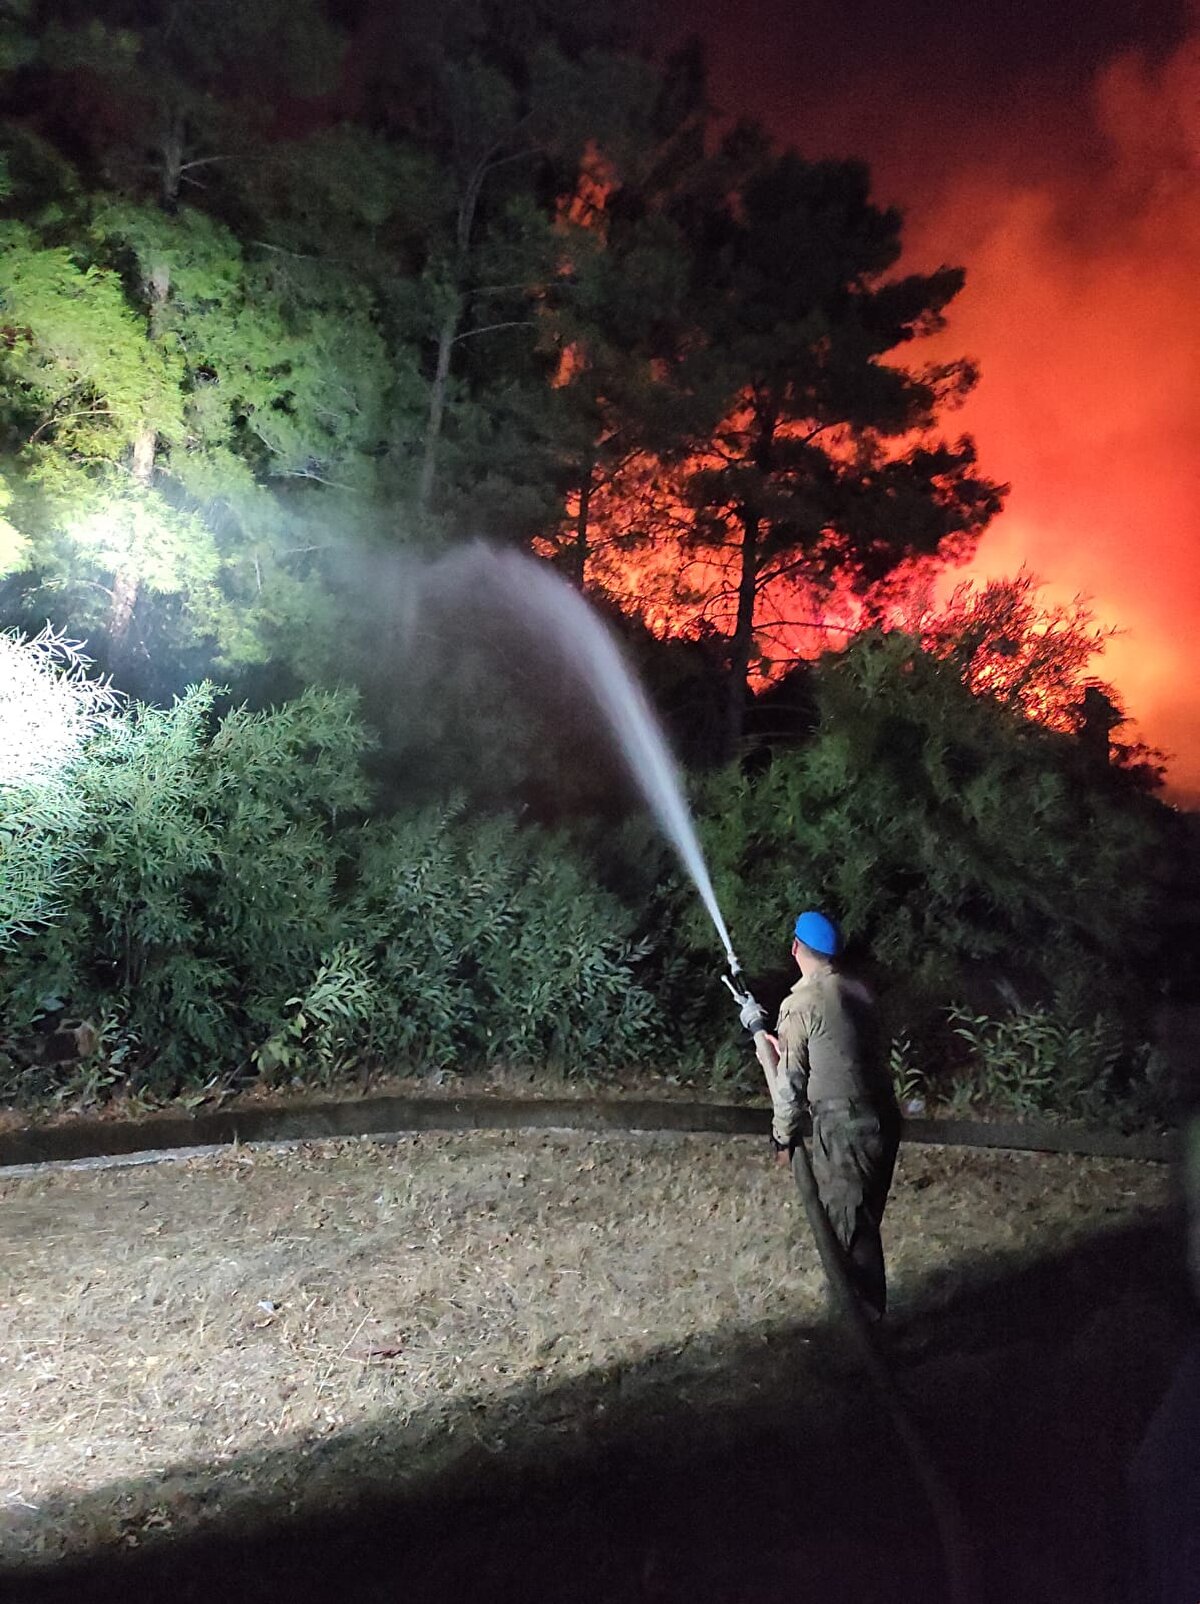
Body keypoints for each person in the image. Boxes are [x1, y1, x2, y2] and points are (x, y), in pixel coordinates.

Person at [737, 910, 901, 1321]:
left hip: (845, 1124)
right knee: (862, 1222)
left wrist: (781, 1135)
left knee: (848, 1232)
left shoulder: (801, 1003)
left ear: (795, 947)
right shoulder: (857, 990)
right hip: (883, 1119)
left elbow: (790, 1085)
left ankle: (863, 1341)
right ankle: (864, 1327)